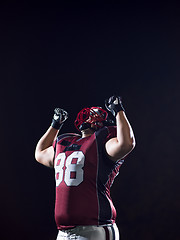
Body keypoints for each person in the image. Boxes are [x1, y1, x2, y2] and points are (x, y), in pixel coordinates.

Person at [35, 95, 135, 240]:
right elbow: (40, 153)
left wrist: (119, 110)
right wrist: (55, 125)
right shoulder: (66, 142)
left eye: (96, 115)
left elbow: (127, 143)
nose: (90, 116)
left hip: (95, 229)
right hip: (63, 232)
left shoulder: (102, 142)